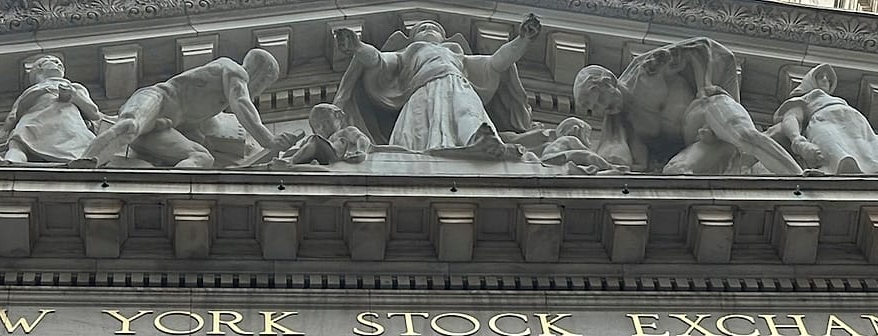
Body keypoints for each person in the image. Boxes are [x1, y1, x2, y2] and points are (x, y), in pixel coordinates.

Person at [573, 38, 803, 176]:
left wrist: (705, 85)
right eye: (596, 108)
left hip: (705, 109)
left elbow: (700, 47)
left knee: (745, 136)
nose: (604, 109)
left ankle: (800, 177)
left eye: (601, 99)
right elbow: (639, 165)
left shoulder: (646, 71)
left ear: (609, 82)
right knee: (674, 171)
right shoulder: (626, 124)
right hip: (698, 140)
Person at [333, 15, 539, 155]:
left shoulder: (457, 54)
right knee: (418, 128)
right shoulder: (408, 53)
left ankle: (478, 140)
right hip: (421, 91)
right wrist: (357, 47)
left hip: (459, 86)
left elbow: (497, 62)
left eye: (433, 28)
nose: (428, 29)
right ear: (412, 39)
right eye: (422, 28)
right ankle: (410, 154)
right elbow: (377, 60)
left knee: (468, 113)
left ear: (444, 38)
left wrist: (523, 39)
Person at [77, 49, 295, 169]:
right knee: (131, 126)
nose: (258, 91)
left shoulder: (213, 106)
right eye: (264, 83)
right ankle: (87, 160)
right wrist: (268, 140)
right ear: (259, 73)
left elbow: (193, 132)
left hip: (161, 130)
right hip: (157, 99)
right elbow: (242, 104)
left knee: (203, 157)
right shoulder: (233, 70)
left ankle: (171, 193)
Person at [0, 54, 103, 164]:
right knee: (17, 141)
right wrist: (3, 133)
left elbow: (93, 112)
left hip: (66, 122)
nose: (58, 64)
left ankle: (80, 161)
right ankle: (10, 163)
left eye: (60, 63)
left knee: (76, 143)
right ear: (39, 68)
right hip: (32, 121)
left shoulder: (75, 87)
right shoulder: (32, 90)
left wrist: (73, 96)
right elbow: (13, 115)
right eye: (52, 61)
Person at [769, 64, 878, 175]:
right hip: (826, 124)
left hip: (857, 127)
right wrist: (798, 142)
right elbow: (791, 118)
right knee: (841, 159)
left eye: (828, 79)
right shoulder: (806, 98)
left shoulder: (838, 100)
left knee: (871, 157)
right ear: (810, 81)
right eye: (820, 77)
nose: (825, 80)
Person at [273, 103, 372, 166]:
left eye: (326, 122)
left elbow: (362, 138)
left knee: (315, 140)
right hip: (323, 157)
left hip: (336, 156)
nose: (322, 128)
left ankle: (290, 162)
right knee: (295, 151)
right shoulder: (322, 142)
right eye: (317, 126)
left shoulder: (344, 132)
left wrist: (362, 151)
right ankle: (283, 161)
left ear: (338, 118)